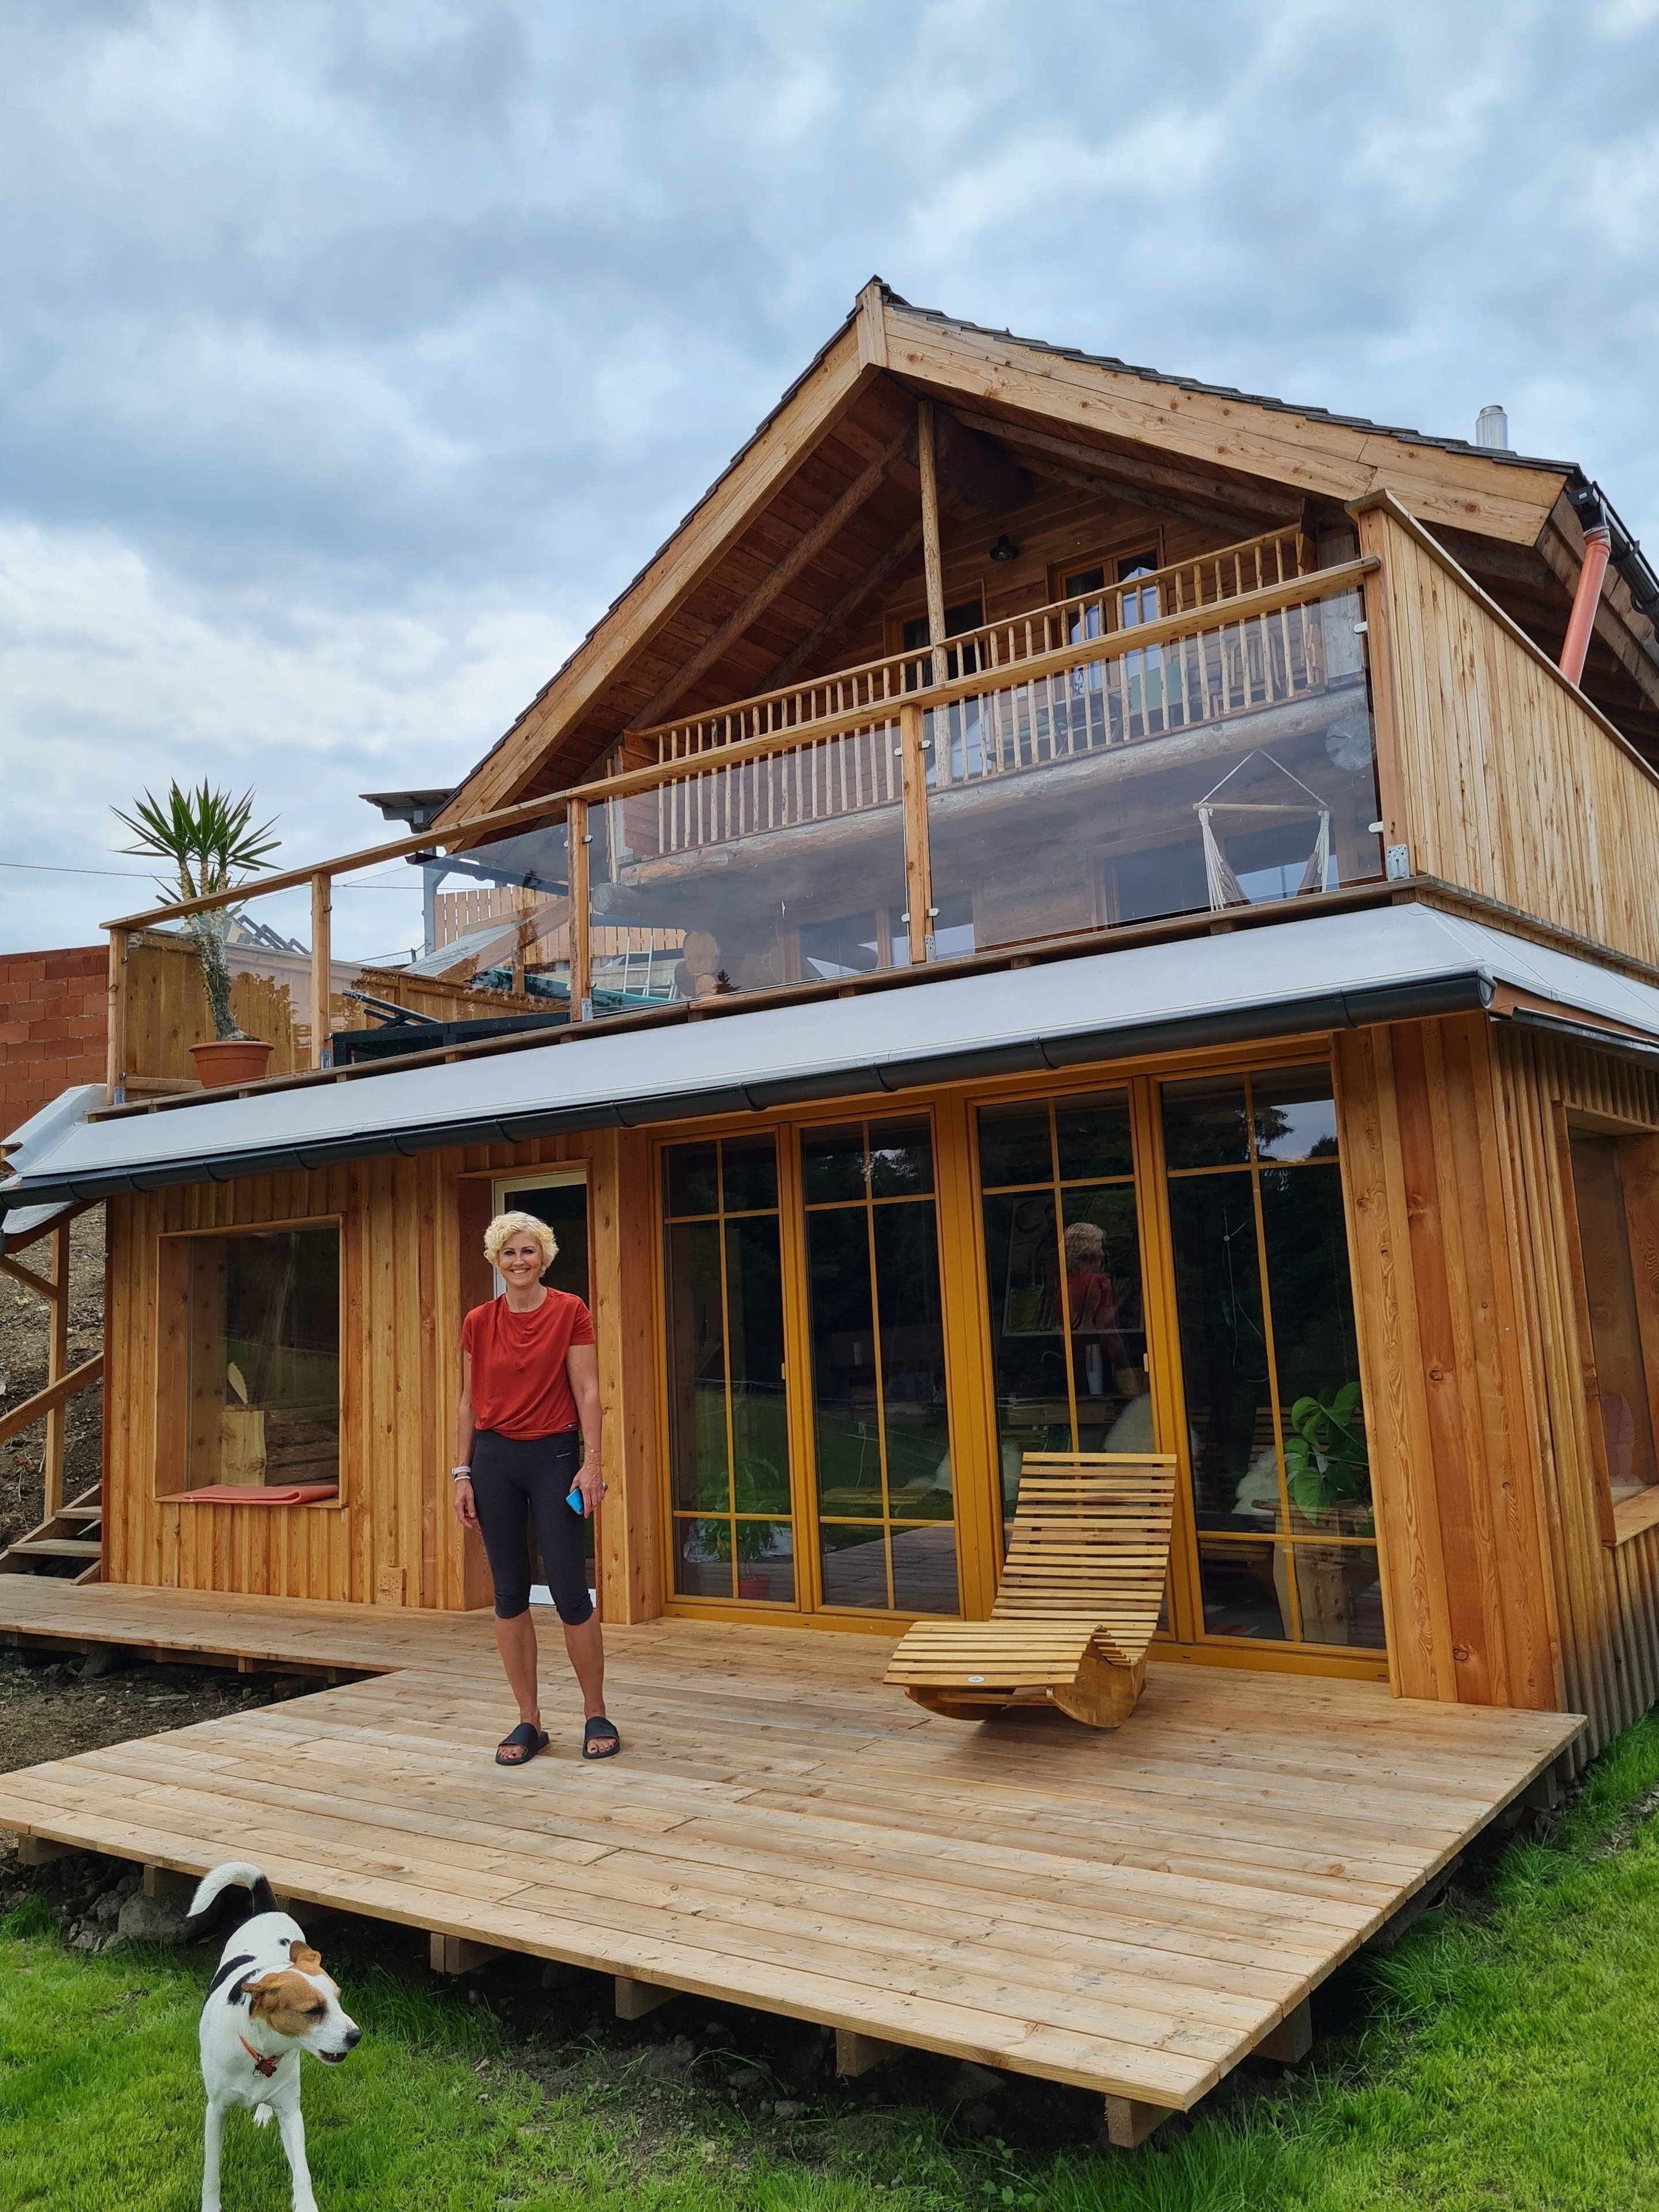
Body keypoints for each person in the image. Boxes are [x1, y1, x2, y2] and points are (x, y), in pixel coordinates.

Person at [450, 1210, 619, 1766]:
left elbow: (588, 1391)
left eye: (528, 1251)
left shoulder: (570, 1311)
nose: (519, 1261)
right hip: (494, 1461)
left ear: (543, 1257)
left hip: (554, 1457)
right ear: (495, 1261)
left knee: (570, 1592)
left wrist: (591, 1464)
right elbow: (469, 1402)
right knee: (508, 1593)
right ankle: (530, 1720)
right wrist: (461, 1473)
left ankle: (595, 1712)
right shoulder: (478, 1321)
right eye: (509, 1252)